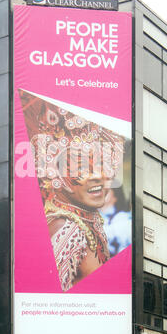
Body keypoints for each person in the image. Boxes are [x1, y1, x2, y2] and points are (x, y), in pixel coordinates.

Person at [20, 90, 125, 292]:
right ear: (54, 172)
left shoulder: (85, 220)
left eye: (103, 164)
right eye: (81, 166)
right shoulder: (67, 229)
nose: (98, 176)